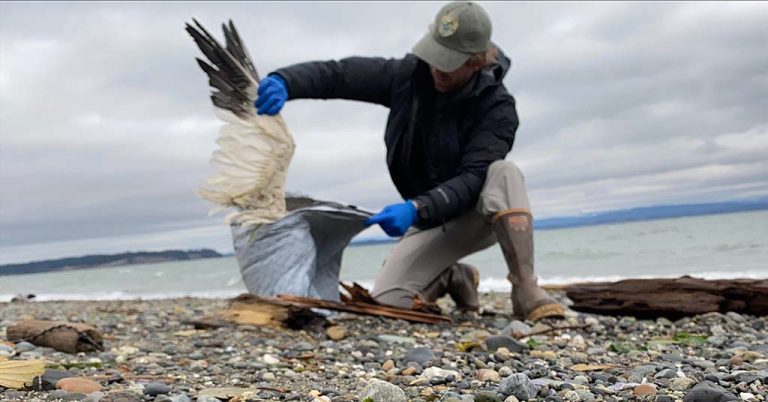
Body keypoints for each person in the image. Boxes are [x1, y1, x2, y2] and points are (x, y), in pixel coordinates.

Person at [254, 1, 564, 321]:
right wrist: (287, 81)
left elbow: (473, 178)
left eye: (450, 63)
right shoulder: (409, 76)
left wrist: (416, 208)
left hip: (478, 213)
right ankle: (454, 276)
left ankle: (526, 288)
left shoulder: (497, 108)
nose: (437, 69)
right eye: (435, 56)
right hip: (429, 218)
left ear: (476, 62)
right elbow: (341, 75)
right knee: (388, 304)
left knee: (505, 173)